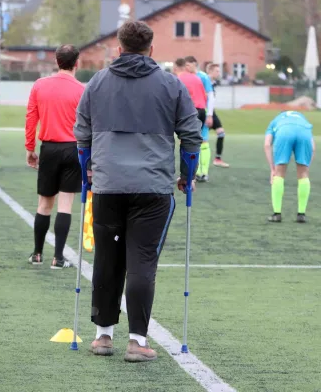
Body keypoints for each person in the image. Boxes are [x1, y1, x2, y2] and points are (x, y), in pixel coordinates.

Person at [74, 20, 202, 362]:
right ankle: (137, 341)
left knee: (106, 258)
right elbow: (191, 137)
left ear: (119, 48)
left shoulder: (97, 82)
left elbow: (81, 133)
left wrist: (88, 171)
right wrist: (187, 175)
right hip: (152, 189)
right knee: (142, 262)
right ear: (151, 49)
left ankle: (102, 337)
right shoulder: (170, 84)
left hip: (108, 186)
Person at [24, 44, 84, 269]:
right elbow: (88, 125)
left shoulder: (40, 85)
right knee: (65, 204)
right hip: (73, 149)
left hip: (49, 149)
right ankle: (58, 257)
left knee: (44, 204)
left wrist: (30, 147)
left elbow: (31, 117)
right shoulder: (82, 89)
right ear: (77, 63)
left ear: (56, 61)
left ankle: (37, 253)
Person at [264, 111, 314, 223]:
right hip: (304, 133)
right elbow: (313, 148)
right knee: (303, 175)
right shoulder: (303, 119)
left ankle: (277, 214)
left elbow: (267, 144)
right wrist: (306, 168)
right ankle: (301, 215)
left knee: (279, 173)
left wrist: (273, 169)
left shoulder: (275, 121)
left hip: (284, 132)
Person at [185, 56, 216, 181]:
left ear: (194, 64)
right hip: (190, 113)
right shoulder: (187, 77)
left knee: (203, 140)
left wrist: (210, 114)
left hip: (201, 111)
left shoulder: (202, 76)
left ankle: (204, 172)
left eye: (188, 65)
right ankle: (196, 171)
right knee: (192, 141)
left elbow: (211, 95)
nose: (187, 68)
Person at [204, 63, 229, 168]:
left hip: (211, 112)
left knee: (221, 133)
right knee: (200, 139)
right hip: (204, 112)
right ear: (210, 71)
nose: (219, 73)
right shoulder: (204, 81)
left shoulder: (213, 83)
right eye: (217, 71)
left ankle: (217, 159)